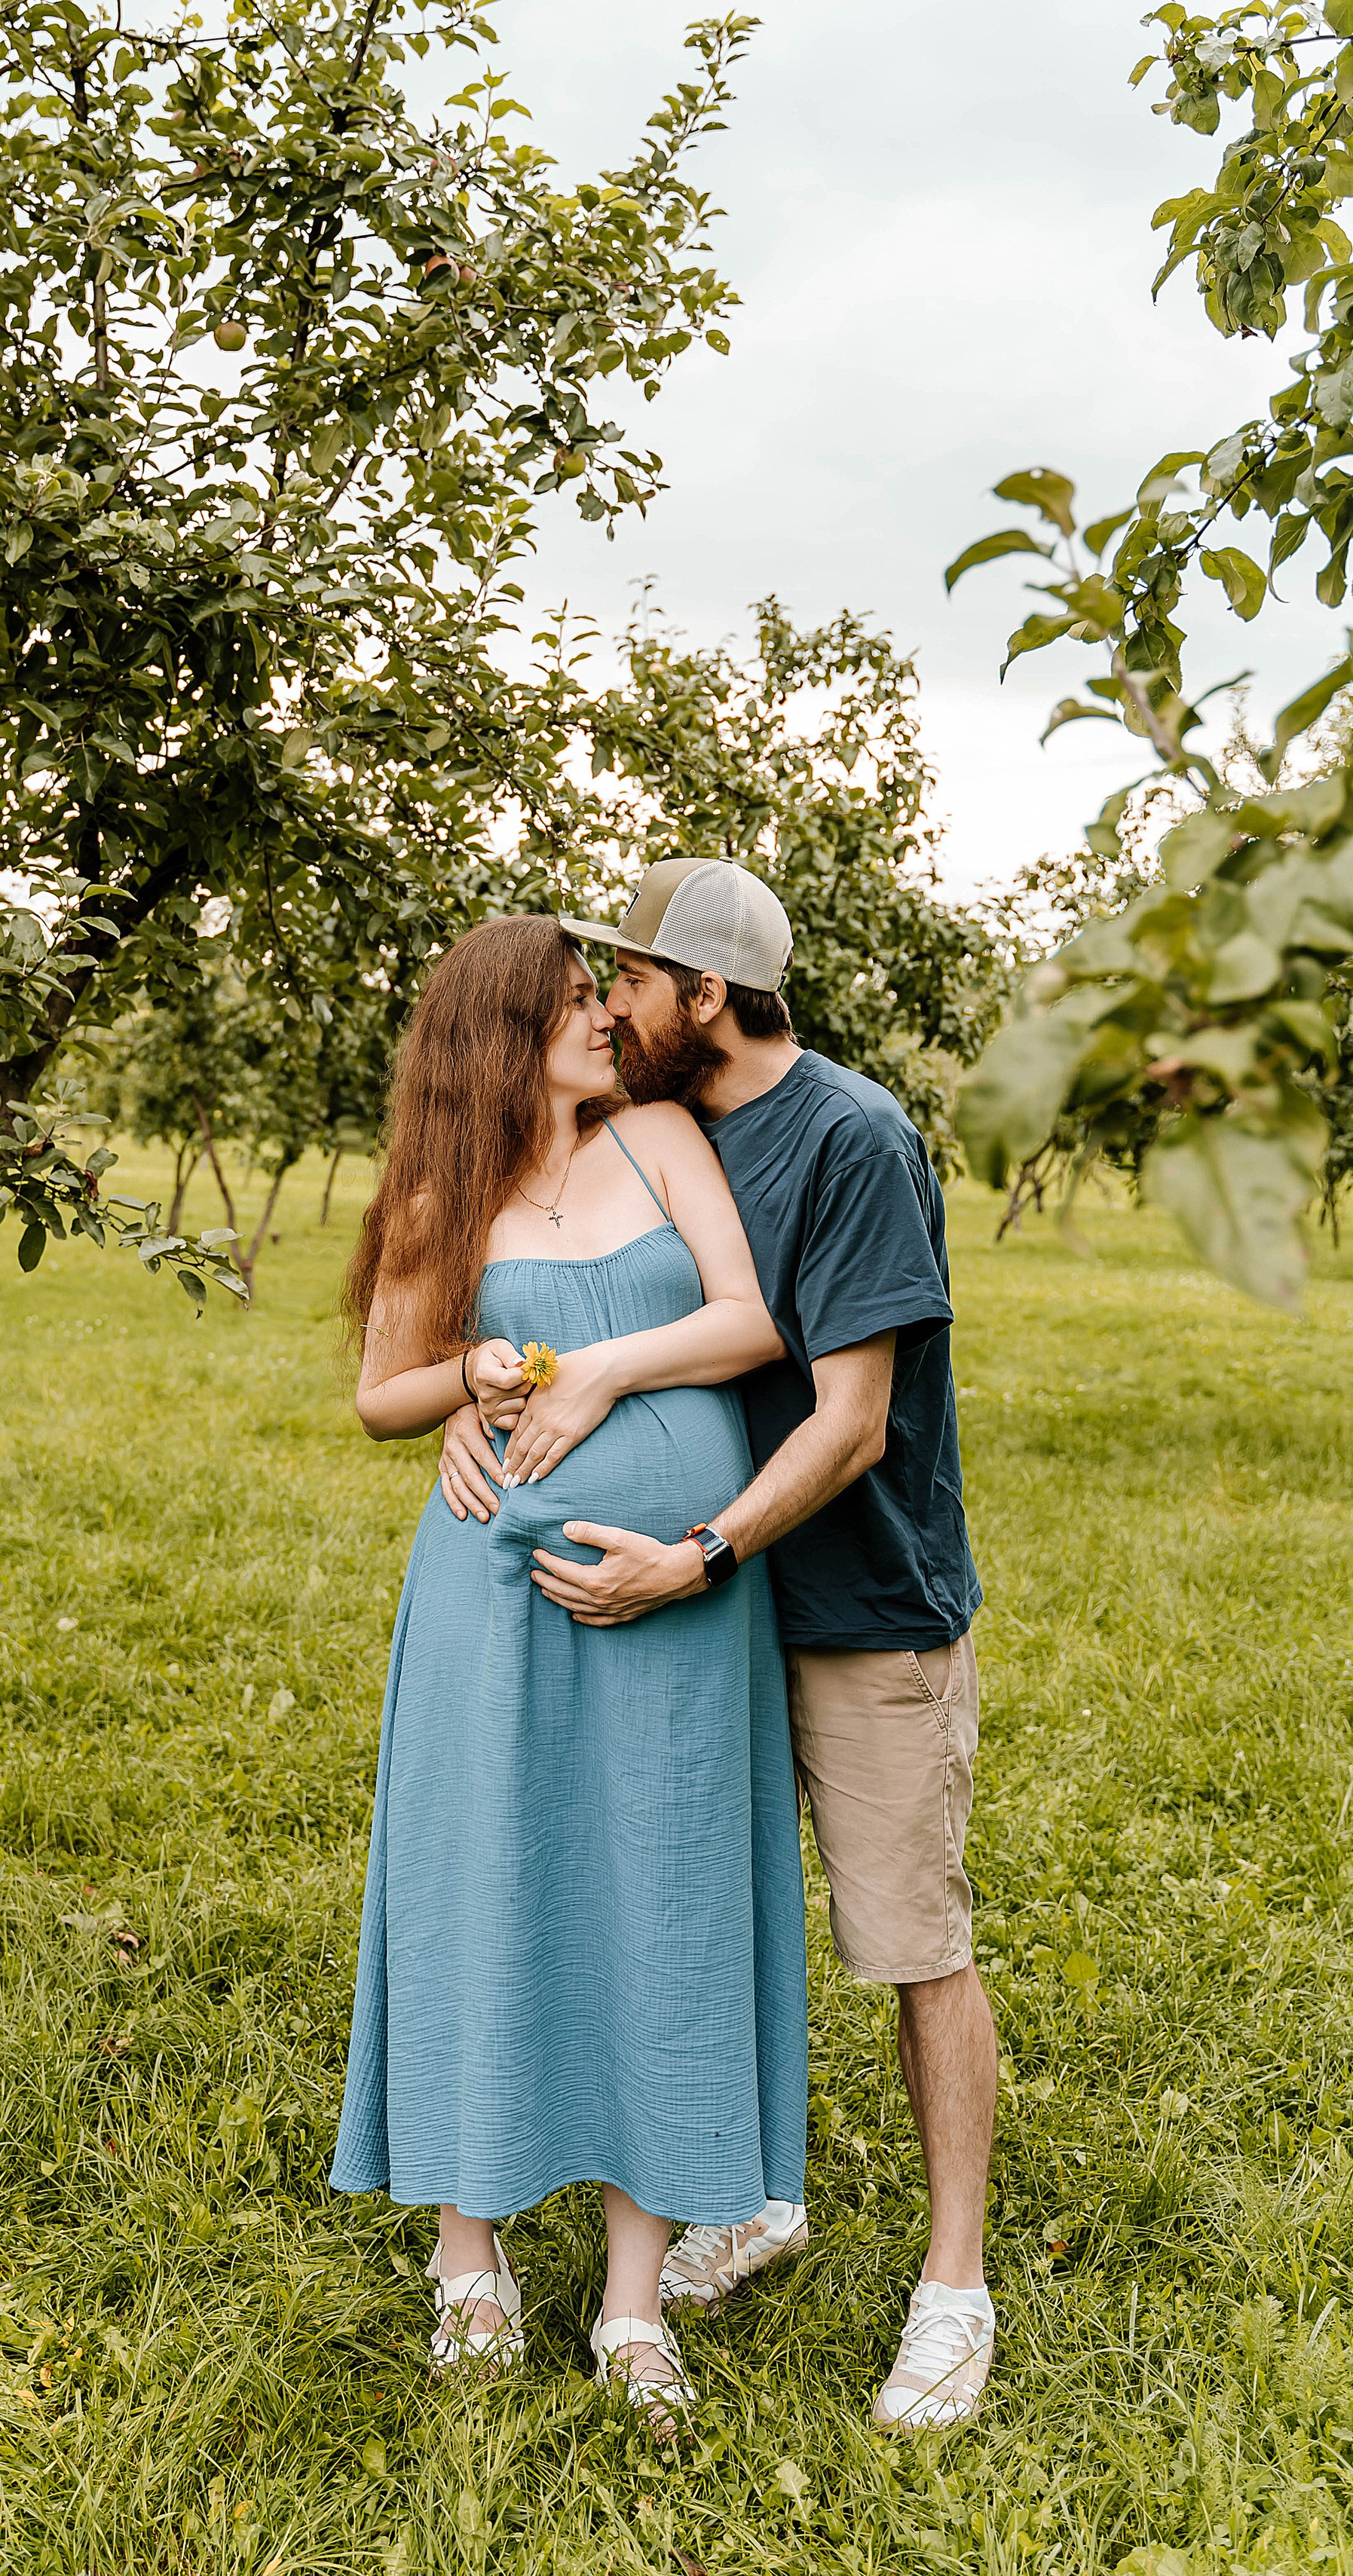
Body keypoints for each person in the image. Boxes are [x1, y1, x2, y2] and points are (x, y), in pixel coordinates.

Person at [436, 858, 998, 2434]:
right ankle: (743, 2191)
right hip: (693, 1624)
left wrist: (694, 1550)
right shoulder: (644, 1128)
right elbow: (551, 1296)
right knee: (694, 1903)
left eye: (627, 980)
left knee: (906, 1938)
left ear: (709, 995)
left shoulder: (851, 1137)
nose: (604, 1004)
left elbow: (854, 1418)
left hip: (844, 1607)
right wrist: (488, 1404)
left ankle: (952, 2288)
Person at [330, 913, 807, 2434]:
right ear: (501, 1024)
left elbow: (745, 1323)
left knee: (657, 1898)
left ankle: (629, 2296)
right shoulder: (438, 1186)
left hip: (673, 1607)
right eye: (577, 997)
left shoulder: (663, 1137)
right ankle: (467, 2255)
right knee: (486, 1885)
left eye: (608, 992)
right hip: (495, 1595)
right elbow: (379, 1391)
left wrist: (600, 1366)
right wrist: (465, 1378)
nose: (609, 1014)